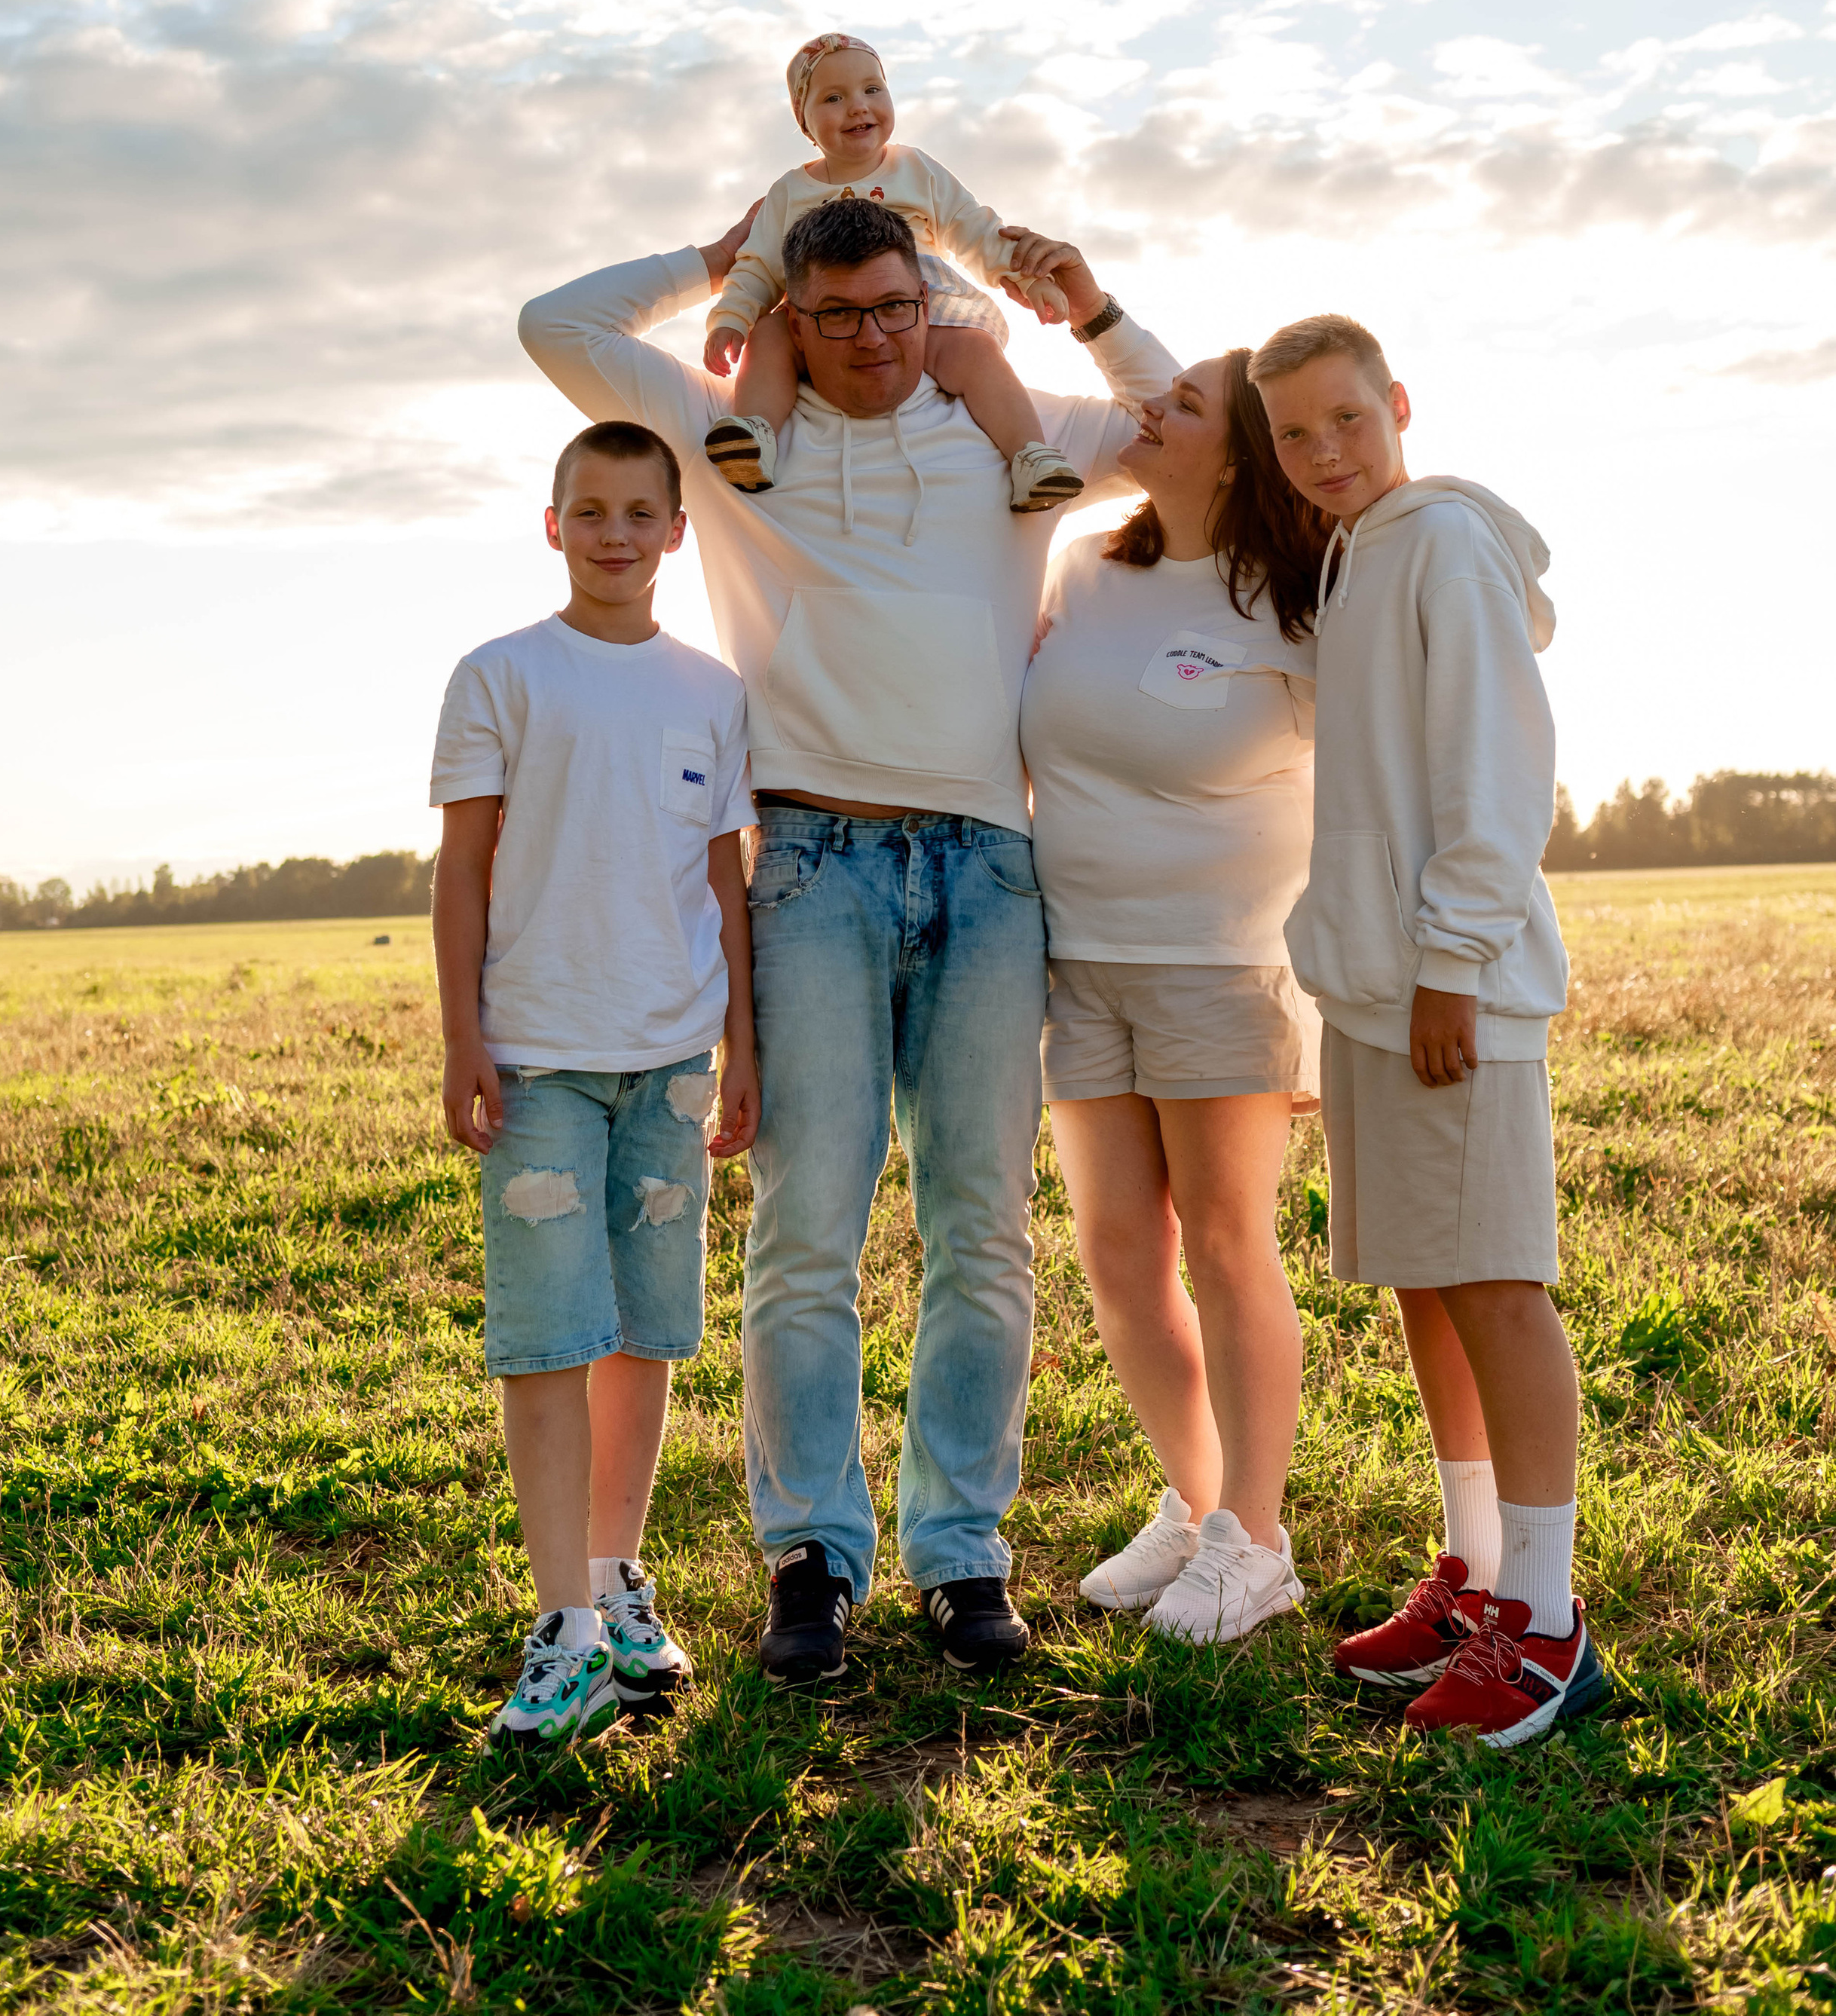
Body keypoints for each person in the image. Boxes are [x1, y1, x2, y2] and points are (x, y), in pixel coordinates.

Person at [518, 190, 1179, 1684]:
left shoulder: (1007, 436)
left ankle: (961, 1554)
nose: (874, 339)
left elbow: (1186, 417)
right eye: (839, 316)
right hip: (810, 860)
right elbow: (550, 327)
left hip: (989, 866)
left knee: (980, 1227)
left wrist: (1081, 305)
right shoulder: (734, 438)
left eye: (897, 308)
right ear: (791, 324)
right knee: (804, 1228)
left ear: (931, 306)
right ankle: (808, 1556)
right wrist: (717, 260)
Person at [1251, 314, 1605, 1748]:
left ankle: (1549, 1620)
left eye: (1348, 418)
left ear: (1398, 405)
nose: (1325, 451)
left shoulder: (1445, 540)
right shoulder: (1353, 553)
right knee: (1427, 1281)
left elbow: (1501, 765)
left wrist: (1453, 957)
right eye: (1295, 434)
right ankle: (1476, 1575)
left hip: (1452, 986)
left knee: (1499, 1284)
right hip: (1377, 990)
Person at [430, 419, 760, 1745]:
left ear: (677, 533)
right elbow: (461, 870)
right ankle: (562, 1624)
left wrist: (746, 1045)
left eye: (641, 512)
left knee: (642, 1330)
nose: (616, 533)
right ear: (552, 522)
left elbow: (726, 882)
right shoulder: (502, 675)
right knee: (548, 1337)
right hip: (540, 1059)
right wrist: (463, 1036)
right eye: (592, 510)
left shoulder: (710, 691)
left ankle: (620, 1578)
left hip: (673, 1060)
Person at [1022, 353, 1330, 1644]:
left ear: (1242, 450)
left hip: (1224, 963)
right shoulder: (1083, 564)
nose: (1148, 413)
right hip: (1075, 960)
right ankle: (1203, 1505)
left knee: (1221, 1240)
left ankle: (1255, 1538)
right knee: (1118, 1256)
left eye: (1183, 403)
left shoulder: (1303, 604)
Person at [699, 32, 1083, 512]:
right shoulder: (789, 192)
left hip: (920, 298)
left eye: (872, 90)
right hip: (826, 310)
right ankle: (756, 435)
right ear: (805, 121)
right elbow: (758, 266)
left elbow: (975, 229)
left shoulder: (915, 168)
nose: (858, 107)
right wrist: (731, 319)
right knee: (771, 337)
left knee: (975, 351)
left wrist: (1029, 278)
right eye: (833, 98)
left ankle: (1030, 455)